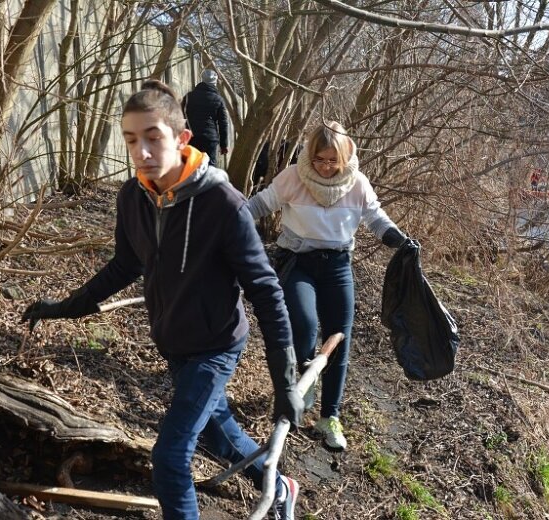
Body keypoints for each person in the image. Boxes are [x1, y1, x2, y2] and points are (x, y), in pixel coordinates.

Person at [21, 80, 303, 520]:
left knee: (170, 458)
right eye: (132, 140)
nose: (142, 151)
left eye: (153, 137)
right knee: (217, 432)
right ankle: (277, 482)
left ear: (181, 138)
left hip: (216, 345)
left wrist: (284, 380)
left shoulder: (224, 205)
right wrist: (65, 306)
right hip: (173, 343)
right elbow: (124, 266)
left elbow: (265, 291)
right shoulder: (132, 198)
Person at [247, 121, 408, 451]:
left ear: (345, 158)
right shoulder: (294, 176)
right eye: (319, 159)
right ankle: (301, 390)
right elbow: (260, 204)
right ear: (310, 155)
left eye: (332, 161)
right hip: (296, 262)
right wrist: (229, 221)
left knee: (339, 337)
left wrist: (396, 238)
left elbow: (375, 217)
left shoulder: (357, 183)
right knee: (304, 326)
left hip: (337, 266)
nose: (325, 167)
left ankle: (329, 417)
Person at [181, 69, 229, 167]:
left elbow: (180, 116)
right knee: (209, 168)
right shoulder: (219, 100)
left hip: (191, 137)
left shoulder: (188, 97)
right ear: (214, 83)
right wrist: (224, 145)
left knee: (191, 166)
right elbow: (223, 123)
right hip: (210, 138)